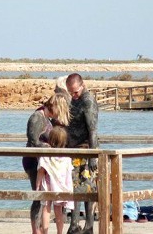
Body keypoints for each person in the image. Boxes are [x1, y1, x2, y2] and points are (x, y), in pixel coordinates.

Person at [22, 93, 70, 234]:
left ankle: (42, 229)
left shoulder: (48, 119)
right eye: (59, 112)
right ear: (54, 107)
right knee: (38, 197)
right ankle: (36, 231)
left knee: (44, 198)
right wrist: (47, 147)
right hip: (34, 162)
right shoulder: (38, 117)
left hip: (44, 162)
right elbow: (33, 141)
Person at [65, 73, 99, 234]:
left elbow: (92, 130)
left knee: (88, 188)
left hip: (86, 149)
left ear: (82, 85)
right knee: (75, 188)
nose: (73, 95)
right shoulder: (75, 100)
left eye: (75, 92)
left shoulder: (88, 100)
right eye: (70, 93)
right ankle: (74, 223)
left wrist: (93, 156)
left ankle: (89, 226)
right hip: (74, 150)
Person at [36, 126, 74, 234]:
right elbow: (68, 173)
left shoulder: (47, 155)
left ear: (50, 140)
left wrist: (37, 186)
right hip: (60, 187)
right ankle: (59, 232)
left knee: (46, 210)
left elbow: (41, 171)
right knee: (59, 212)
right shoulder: (66, 158)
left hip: (48, 186)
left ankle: (45, 232)